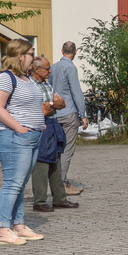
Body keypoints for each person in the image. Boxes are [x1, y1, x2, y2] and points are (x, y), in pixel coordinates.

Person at [0, 39, 46, 246]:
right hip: (14, 137)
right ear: (20, 56)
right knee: (12, 183)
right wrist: (19, 127)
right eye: (32, 54)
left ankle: (18, 225)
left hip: (32, 137)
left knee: (21, 183)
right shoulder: (6, 78)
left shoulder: (27, 79)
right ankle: (3, 229)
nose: (35, 58)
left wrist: (38, 123)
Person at [30, 56, 78, 213]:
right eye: (46, 69)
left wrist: (50, 104)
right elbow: (42, 110)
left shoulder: (46, 84)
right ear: (36, 69)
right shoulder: (30, 85)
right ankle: (40, 201)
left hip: (53, 124)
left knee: (56, 162)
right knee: (41, 164)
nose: (50, 71)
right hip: (41, 125)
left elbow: (61, 103)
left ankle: (59, 198)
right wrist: (52, 104)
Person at [49, 41, 87, 195]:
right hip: (69, 112)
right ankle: (62, 184)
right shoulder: (70, 67)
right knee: (67, 151)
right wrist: (83, 114)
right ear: (75, 52)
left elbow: (50, 89)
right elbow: (76, 92)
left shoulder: (53, 67)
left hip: (55, 113)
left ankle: (58, 181)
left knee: (57, 150)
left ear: (61, 50)